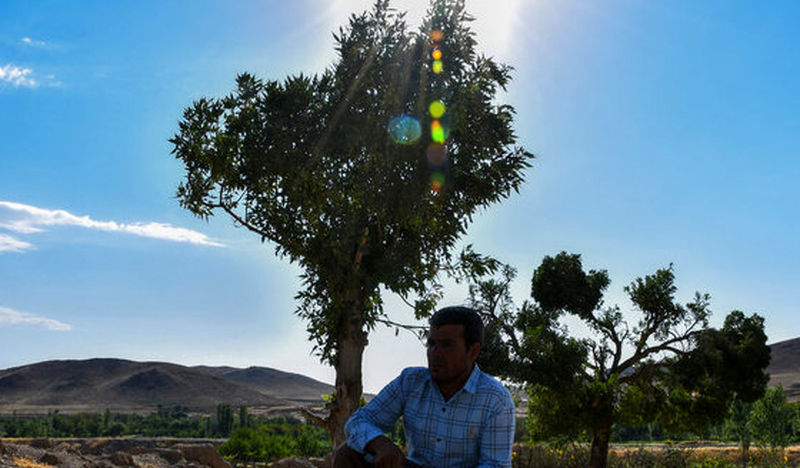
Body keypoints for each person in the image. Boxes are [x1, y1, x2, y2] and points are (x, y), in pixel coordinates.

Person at [333, 306, 515, 468]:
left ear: (473, 351)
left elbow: (494, 464)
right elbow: (358, 421)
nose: (435, 353)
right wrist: (380, 443)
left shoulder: (495, 399)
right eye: (432, 344)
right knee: (348, 453)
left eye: (447, 345)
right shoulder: (411, 382)